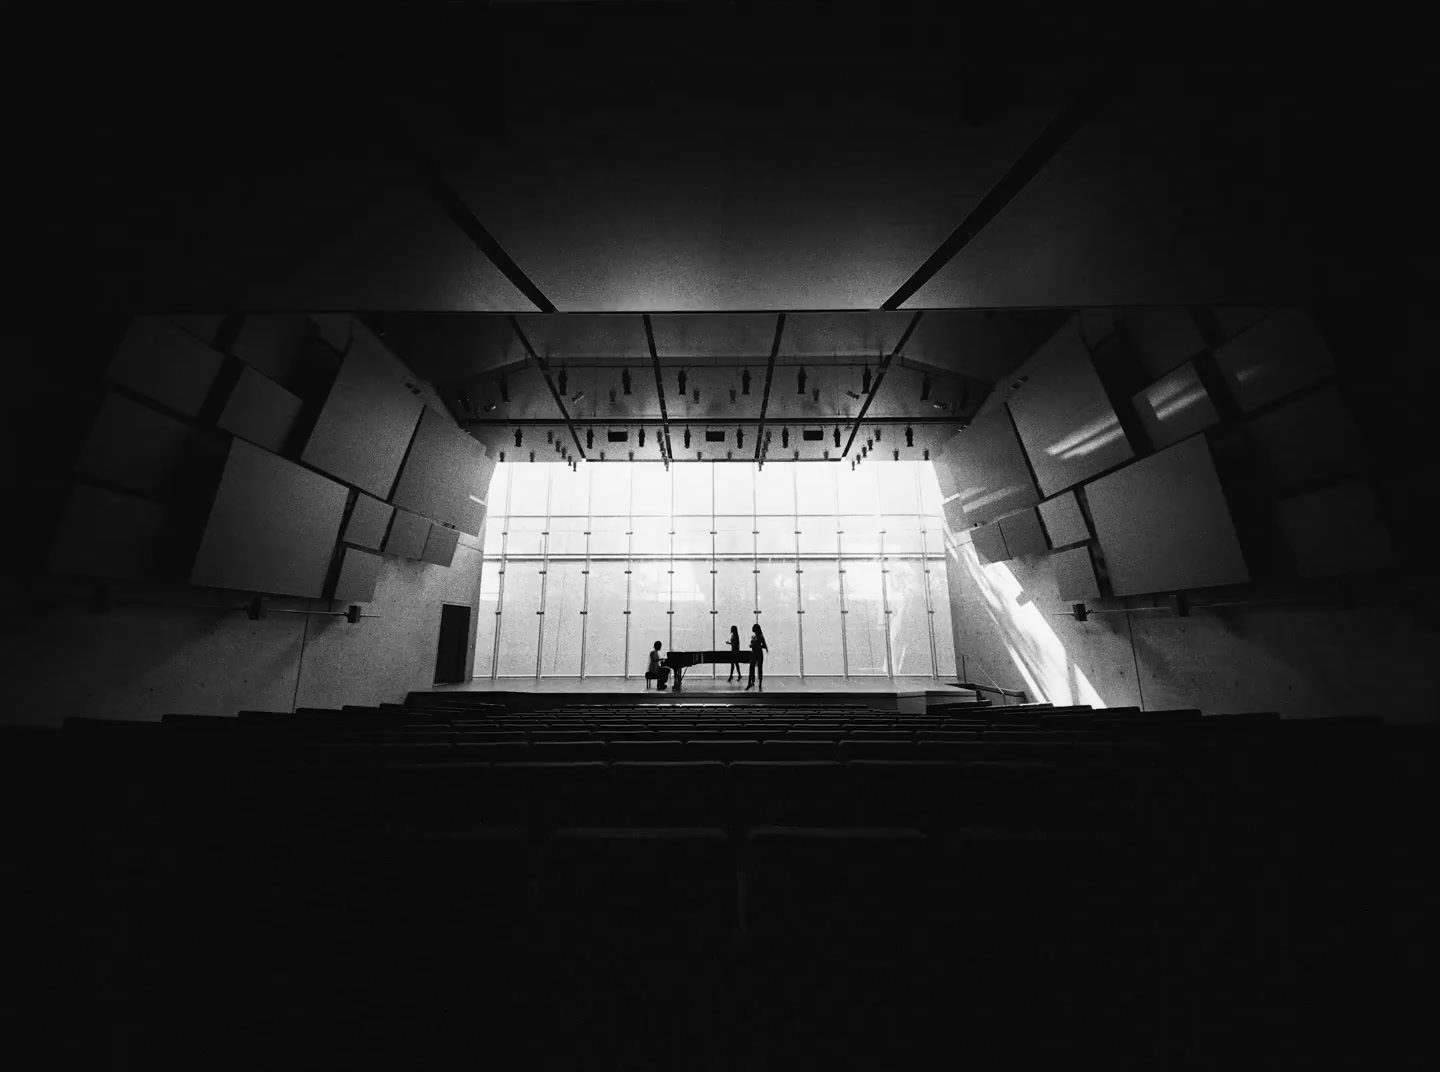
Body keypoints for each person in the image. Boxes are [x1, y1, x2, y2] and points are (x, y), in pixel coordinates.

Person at [745, 623, 768, 692]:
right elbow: (764, 646)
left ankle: (756, 683)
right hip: (756, 653)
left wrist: (756, 645)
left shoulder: (758, 637)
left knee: (756, 669)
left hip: (756, 653)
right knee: (753, 668)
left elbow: (764, 646)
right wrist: (754, 645)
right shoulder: (756, 636)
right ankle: (753, 683)